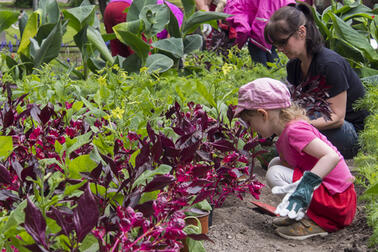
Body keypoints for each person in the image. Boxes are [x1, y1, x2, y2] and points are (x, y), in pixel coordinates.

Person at [235, 78, 356, 240]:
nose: (250, 128)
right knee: (275, 163)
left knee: (275, 173)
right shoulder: (286, 132)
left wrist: (305, 187)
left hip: (338, 202)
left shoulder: (295, 131)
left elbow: (331, 156)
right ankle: (303, 215)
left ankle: (315, 221)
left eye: (250, 122)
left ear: (263, 114)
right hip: (333, 197)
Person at [264, 2, 369, 159]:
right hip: (321, 125)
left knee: (287, 140)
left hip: (351, 134)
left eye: (283, 42)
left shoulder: (330, 64)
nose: (279, 49)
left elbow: (337, 118)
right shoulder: (293, 66)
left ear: (301, 32)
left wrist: (294, 126)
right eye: (276, 44)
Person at [223, 0, 295, 67]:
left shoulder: (233, 7)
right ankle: (279, 77)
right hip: (274, 25)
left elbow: (244, 30)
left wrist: (235, 49)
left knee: (261, 67)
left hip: (261, 32)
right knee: (272, 59)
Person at [104, 0, 183, 57]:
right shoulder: (178, 15)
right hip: (126, 7)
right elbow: (170, 45)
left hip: (110, 7)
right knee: (143, 54)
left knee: (120, 54)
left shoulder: (170, 8)